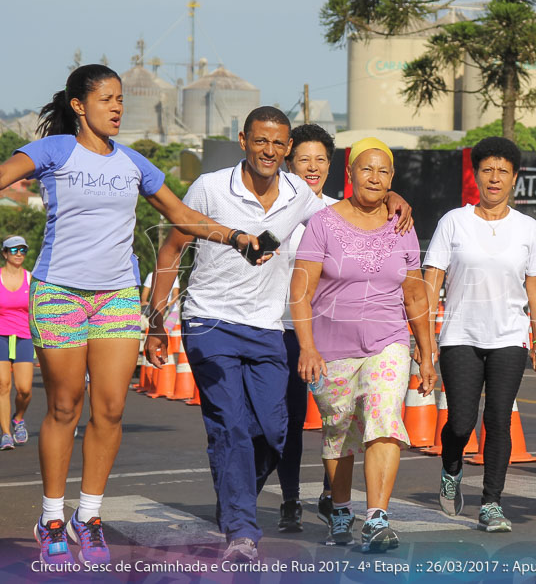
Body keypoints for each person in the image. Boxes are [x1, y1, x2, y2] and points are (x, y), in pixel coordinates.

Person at [0, 64, 267, 566]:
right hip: (59, 292)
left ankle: (90, 516)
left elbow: (181, 216)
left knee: (111, 408)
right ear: (80, 105)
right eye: (107, 99)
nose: (118, 107)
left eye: (121, 99)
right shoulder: (53, 151)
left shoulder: (134, 162)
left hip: (118, 295)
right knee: (64, 405)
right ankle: (52, 517)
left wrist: (235, 237)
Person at [145, 109, 411, 562]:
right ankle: (241, 527)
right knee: (229, 424)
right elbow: (172, 248)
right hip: (210, 322)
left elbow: (354, 209)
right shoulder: (210, 187)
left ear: (286, 149)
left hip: (269, 326)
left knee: (276, 431)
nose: (270, 151)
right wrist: (154, 322)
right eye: (261, 141)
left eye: (278, 144)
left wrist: (397, 198)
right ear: (244, 140)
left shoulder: (300, 196)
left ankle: (235, 496)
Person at [292, 137, 437, 552]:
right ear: (350, 174)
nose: (374, 178)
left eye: (383, 171)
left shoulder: (402, 225)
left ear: (392, 179)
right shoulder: (323, 222)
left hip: (387, 339)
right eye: (366, 169)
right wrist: (307, 346)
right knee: (338, 431)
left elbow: (414, 295)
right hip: (330, 345)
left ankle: (376, 518)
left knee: (384, 421)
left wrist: (426, 353)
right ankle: (340, 507)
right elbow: (301, 290)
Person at [423, 136, 536, 533]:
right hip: (460, 335)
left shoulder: (527, 228)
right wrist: (424, 342)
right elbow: (431, 282)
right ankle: (451, 467)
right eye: (487, 170)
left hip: (510, 338)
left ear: (514, 178)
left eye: (503, 171)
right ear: (476, 174)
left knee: (498, 420)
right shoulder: (453, 221)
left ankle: (491, 503)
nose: (494, 178)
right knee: (461, 423)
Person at [276, 123, 339, 533]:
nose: (312, 168)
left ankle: (334, 495)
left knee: (338, 418)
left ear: (330, 166)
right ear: (288, 162)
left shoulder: (340, 214)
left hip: (332, 332)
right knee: (289, 420)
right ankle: (290, 499)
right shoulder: (275, 208)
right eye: (303, 160)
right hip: (281, 328)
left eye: (320, 161)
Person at [0, 236, 33, 451]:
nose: (19, 253)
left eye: (23, 250)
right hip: (1, 335)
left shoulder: (31, 278)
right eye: (14, 250)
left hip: (24, 336)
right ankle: (5, 434)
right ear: (5, 253)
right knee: (3, 385)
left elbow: (38, 312)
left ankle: (18, 418)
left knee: (24, 389)